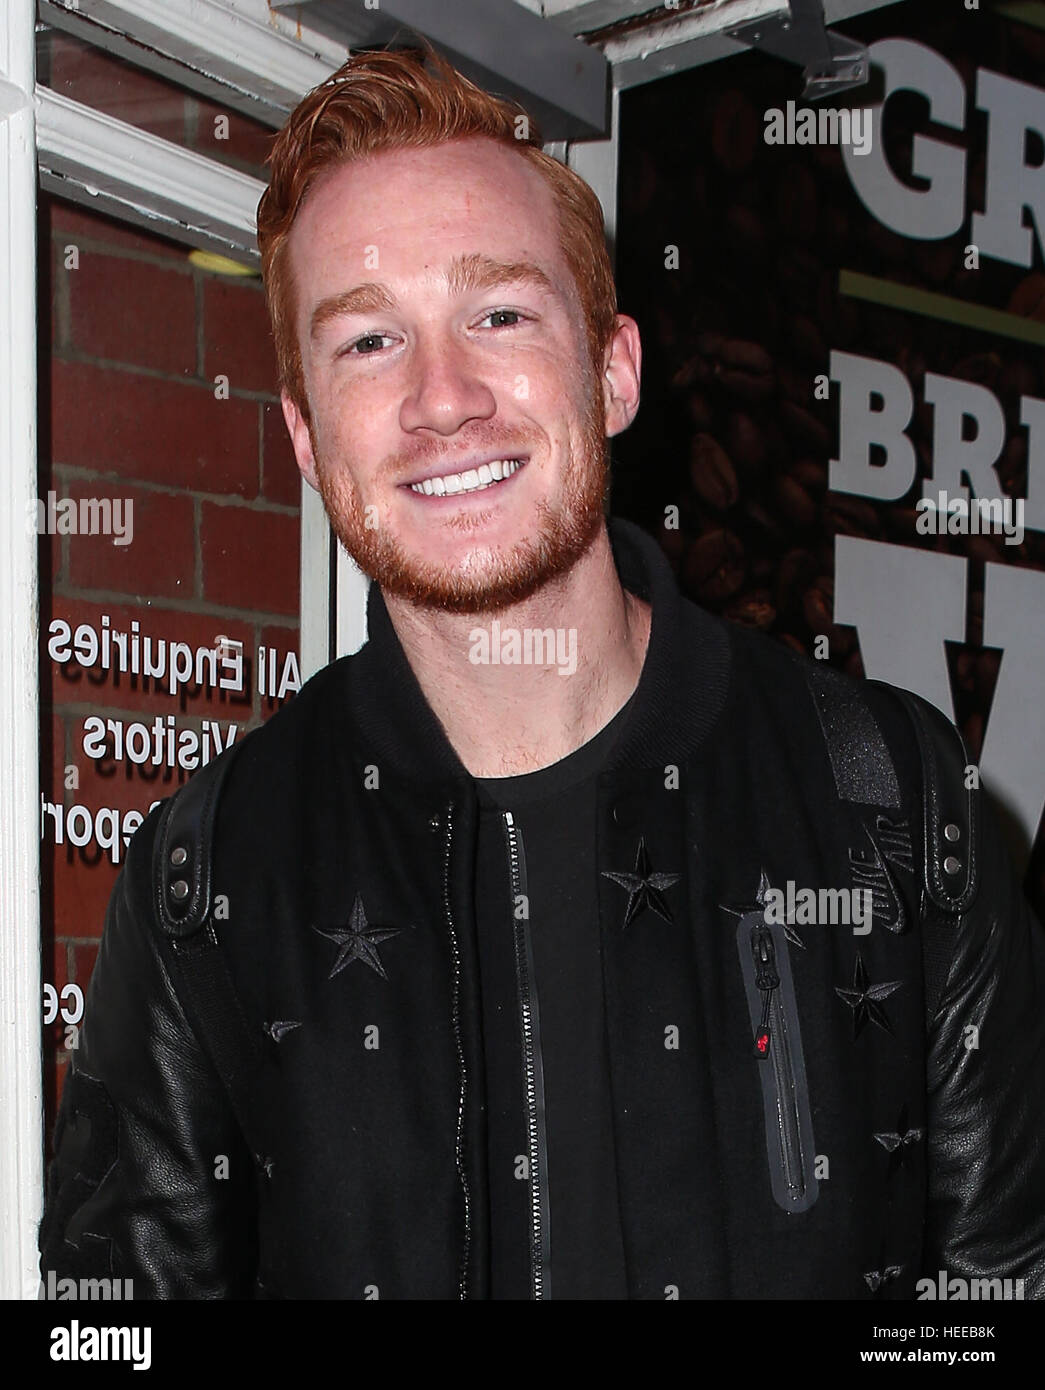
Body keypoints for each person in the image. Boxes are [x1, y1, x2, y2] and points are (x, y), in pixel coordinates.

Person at [39, 40, 1045, 1301]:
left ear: (612, 370)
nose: (442, 399)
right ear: (304, 438)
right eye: (365, 343)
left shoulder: (892, 805)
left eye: (498, 312)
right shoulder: (209, 874)